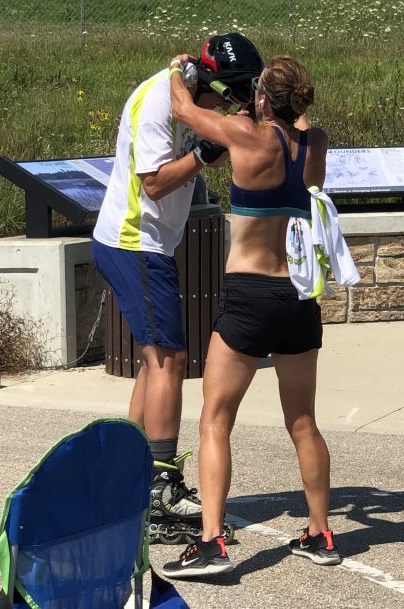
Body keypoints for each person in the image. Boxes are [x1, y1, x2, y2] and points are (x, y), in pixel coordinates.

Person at [162, 54, 341, 578]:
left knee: (215, 419)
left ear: (264, 99)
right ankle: (320, 532)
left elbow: (182, 108)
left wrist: (177, 69)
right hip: (298, 297)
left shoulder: (246, 136)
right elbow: (298, 123)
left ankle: (211, 543)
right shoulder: (315, 143)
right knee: (303, 421)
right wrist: (271, 100)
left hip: (249, 294)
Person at [92, 33, 264, 542]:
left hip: (149, 243)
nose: (234, 104)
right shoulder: (158, 102)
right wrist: (206, 154)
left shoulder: (188, 97)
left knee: (155, 361)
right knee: (170, 359)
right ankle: (161, 489)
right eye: (234, 92)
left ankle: (130, 478)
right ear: (214, 83)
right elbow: (154, 182)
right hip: (134, 241)